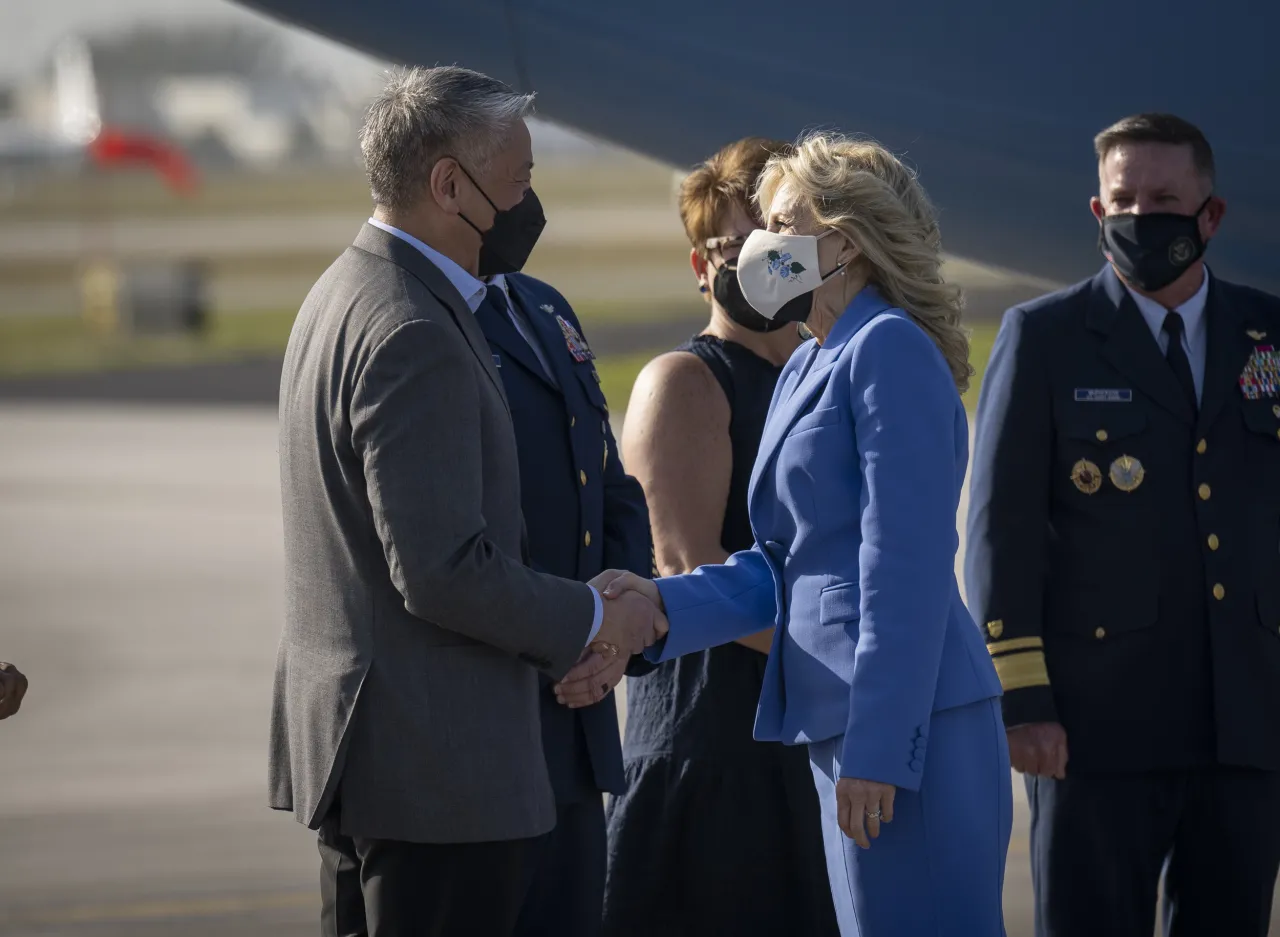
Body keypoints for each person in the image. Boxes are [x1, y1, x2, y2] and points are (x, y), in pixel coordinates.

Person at [559, 131, 1011, 936]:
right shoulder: (811, 360)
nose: (761, 245)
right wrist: (658, 604)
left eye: (779, 222)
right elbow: (782, 568)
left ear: (844, 239)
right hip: (841, 730)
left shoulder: (888, 350)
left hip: (910, 732)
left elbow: (900, 573)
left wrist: (878, 747)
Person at [269, 65, 663, 937]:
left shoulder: (345, 292)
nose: (530, 202)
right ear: (451, 185)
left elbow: (593, 477)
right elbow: (443, 570)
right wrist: (592, 617)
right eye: (520, 181)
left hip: (400, 762)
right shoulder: (414, 326)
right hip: (444, 776)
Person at [965, 112, 1280, 937]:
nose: (1143, 218)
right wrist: (1022, 697)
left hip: (1246, 721)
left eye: (1165, 200)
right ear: (1098, 214)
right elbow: (1002, 529)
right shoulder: (1046, 336)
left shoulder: (1268, 335)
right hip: (1096, 729)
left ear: (1210, 216)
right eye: (1124, 201)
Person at [601, 137, 838, 937]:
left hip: (802, 737)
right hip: (716, 751)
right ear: (701, 267)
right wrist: (852, 657)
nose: (757, 264)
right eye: (733, 249)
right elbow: (686, 569)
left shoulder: (821, 372)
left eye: (775, 245)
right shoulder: (687, 382)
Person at [471, 264, 651, 934]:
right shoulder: (428, 313)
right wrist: (589, 623)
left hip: (577, 730)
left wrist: (619, 631)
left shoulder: (542, 305)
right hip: (493, 729)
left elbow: (608, 487)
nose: (525, 190)